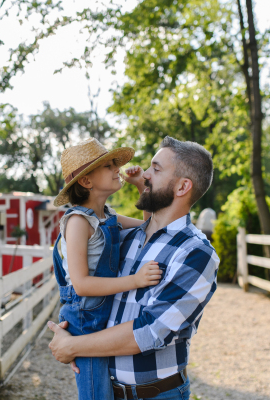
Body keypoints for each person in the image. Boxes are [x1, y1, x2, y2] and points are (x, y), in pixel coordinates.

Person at [48, 136, 220, 400]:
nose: (145, 174)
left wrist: (74, 346)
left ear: (183, 186)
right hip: (108, 386)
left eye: (156, 169)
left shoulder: (195, 253)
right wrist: (74, 335)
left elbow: (150, 331)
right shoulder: (127, 238)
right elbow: (84, 283)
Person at [51, 137, 162, 400]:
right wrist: (135, 281)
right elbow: (82, 284)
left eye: (114, 163)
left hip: (104, 313)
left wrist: (140, 188)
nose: (116, 169)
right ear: (86, 182)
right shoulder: (78, 222)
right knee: (96, 393)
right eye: (108, 165)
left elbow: (148, 229)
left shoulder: (108, 217)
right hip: (85, 317)